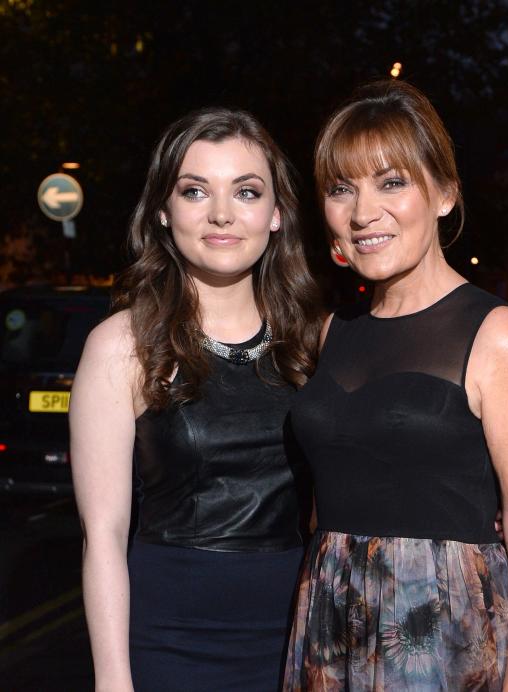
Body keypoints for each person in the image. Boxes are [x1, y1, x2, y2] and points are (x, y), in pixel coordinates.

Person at [283, 80, 508, 691]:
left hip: (444, 642)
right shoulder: (331, 332)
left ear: (444, 193)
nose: (362, 211)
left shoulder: (498, 335)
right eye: (341, 189)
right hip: (330, 629)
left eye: (392, 182)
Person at [70, 107, 321, 691]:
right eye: (195, 190)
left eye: (247, 191)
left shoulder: (316, 342)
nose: (222, 214)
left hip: (301, 638)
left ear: (277, 213)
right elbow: (102, 534)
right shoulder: (121, 346)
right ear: (163, 210)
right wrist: (113, 680)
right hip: (169, 641)